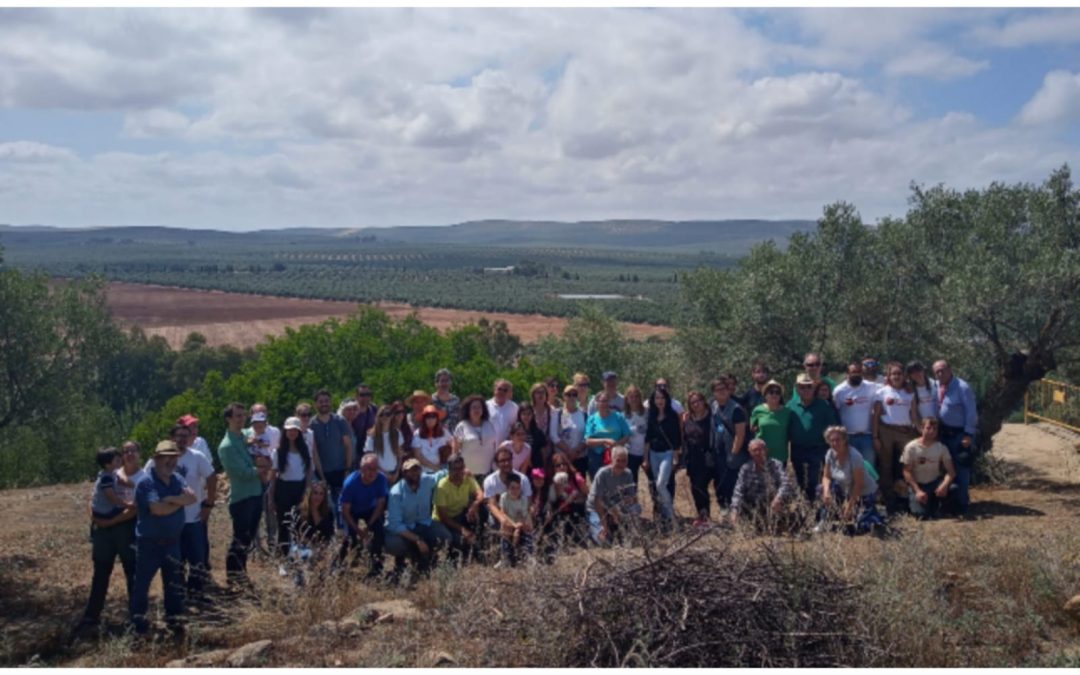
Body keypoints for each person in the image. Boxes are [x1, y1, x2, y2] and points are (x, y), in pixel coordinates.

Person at [129, 441, 197, 634]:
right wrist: (178, 501)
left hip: (173, 543)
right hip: (149, 544)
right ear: (156, 459)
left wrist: (169, 499)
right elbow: (156, 510)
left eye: (174, 457)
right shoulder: (146, 482)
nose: (171, 461)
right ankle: (137, 624)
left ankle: (174, 622)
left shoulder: (177, 479)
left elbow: (191, 498)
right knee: (141, 586)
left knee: (174, 585)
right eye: (166, 457)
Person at [145, 424, 216, 599]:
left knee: (197, 558)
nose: (183, 439)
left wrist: (208, 504)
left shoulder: (197, 457)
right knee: (174, 560)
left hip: (193, 517)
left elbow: (211, 477)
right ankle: (177, 593)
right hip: (168, 519)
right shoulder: (159, 459)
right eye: (179, 435)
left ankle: (196, 591)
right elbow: (145, 479)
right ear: (172, 437)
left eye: (187, 435)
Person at [79, 447, 138, 630]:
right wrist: (99, 519)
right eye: (123, 453)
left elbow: (136, 508)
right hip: (106, 528)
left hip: (123, 527)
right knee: (101, 572)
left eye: (133, 451)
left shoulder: (142, 476)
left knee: (132, 571)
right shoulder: (107, 476)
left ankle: (137, 615)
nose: (127, 456)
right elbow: (94, 499)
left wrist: (110, 520)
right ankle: (91, 616)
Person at [219, 402, 272, 586]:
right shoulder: (227, 446)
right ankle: (233, 577)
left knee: (247, 538)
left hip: (255, 493)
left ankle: (241, 575)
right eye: (237, 416)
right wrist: (261, 470)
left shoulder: (245, 437)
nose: (241, 419)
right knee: (240, 538)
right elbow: (240, 472)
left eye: (243, 415)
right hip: (242, 497)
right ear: (229, 419)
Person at [384, 458, 451, 578]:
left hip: (424, 523)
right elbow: (394, 524)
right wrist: (417, 540)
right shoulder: (396, 493)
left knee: (445, 537)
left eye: (417, 470)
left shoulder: (426, 480)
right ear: (403, 473)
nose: (415, 474)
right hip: (405, 529)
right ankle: (403, 559)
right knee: (394, 544)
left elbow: (442, 474)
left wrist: (465, 472)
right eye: (410, 471)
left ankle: (427, 558)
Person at [931, 360, 978, 517]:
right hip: (942, 434)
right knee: (945, 469)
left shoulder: (962, 387)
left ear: (950, 369)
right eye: (936, 371)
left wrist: (968, 434)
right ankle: (947, 504)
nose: (940, 373)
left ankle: (962, 505)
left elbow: (971, 412)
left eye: (942, 370)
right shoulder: (937, 386)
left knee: (961, 469)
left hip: (959, 435)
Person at [817, 426, 883, 535]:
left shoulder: (854, 456)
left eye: (838, 440)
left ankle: (875, 514)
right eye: (831, 440)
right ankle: (824, 520)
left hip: (863, 492)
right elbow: (826, 476)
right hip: (845, 488)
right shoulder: (830, 454)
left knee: (863, 527)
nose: (835, 443)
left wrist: (849, 506)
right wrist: (826, 492)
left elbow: (859, 484)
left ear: (844, 440)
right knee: (820, 489)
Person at [872, 362, 918, 511]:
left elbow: (914, 414)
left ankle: (908, 499)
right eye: (893, 374)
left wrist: (921, 431)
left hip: (905, 431)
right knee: (886, 466)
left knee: (908, 464)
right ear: (889, 376)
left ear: (904, 376)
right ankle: (889, 501)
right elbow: (876, 416)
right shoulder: (882, 392)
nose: (896, 376)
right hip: (886, 431)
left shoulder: (910, 393)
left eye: (899, 373)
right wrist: (875, 437)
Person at [787, 374, 839, 503]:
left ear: (813, 388)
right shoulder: (790, 406)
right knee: (800, 480)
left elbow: (832, 428)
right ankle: (805, 508)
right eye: (802, 387)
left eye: (809, 387)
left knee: (814, 481)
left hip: (818, 449)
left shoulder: (823, 405)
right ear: (797, 389)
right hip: (797, 449)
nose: (806, 390)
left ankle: (816, 509)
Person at [268, 417, 313, 560]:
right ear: (285, 431)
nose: (292, 433)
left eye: (295, 430)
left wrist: (307, 491)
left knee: (301, 523)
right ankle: (282, 557)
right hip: (284, 490)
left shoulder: (305, 448)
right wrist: (271, 497)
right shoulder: (279, 452)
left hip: (299, 488)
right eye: (289, 430)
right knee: (284, 524)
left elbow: (308, 472)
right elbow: (273, 476)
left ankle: (299, 555)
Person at [338, 453, 388, 577]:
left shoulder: (381, 479)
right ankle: (338, 564)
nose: (372, 473)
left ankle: (376, 566)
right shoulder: (351, 483)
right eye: (369, 469)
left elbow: (381, 504)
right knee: (349, 537)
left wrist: (369, 526)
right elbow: (345, 510)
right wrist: (358, 530)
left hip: (370, 508)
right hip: (351, 510)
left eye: (375, 469)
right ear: (361, 469)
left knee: (379, 531)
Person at [730, 439, 796, 531]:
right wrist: (734, 511)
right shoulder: (745, 468)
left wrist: (778, 498)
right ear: (750, 453)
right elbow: (738, 491)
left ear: (766, 450)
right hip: (752, 506)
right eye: (754, 450)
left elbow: (785, 484)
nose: (758, 452)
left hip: (772, 504)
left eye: (761, 449)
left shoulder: (776, 465)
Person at [311, 389, 354, 518]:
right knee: (324, 508)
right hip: (322, 472)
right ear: (316, 404)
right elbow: (314, 451)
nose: (324, 404)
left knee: (343, 506)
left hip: (341, 470)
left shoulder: (340, 421)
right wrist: (321, 475)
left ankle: (344, 534)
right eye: (320, 401)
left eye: (326, 401)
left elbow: (348, 446)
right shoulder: (312, 424)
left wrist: (347, 469)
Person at [433, 453, 484, 562]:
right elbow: (443, 517)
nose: (458, 472)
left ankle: (479, 545)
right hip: (442, 521)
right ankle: (449, 557)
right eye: (455, 469)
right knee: (455, 540)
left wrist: (475, 504)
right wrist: (463, 530)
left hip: (459, 515)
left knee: (482, 509)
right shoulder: (442, 486)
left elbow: (480, 494)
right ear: (449, 469)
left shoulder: (467, 478)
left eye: (461, 468)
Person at [901, 418, 956, 520]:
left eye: (935, 429)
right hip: (918, 485)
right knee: (920, 515)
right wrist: (917, 491)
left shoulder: (941, 448)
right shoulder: (911, 448)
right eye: (928, 428)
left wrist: (944, 485)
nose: (931, 431)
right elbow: (906, 471)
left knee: (953, 488)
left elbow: (951, 472)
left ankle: (937, 506)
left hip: (934, 483)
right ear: (922, 429)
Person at [586, 446, 641, 546]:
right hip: (597, 509)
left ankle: (631, 530)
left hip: (616, 506)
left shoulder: (628, 473)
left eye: (623, 461)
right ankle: (594, 529)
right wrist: (604, 525)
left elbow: (633, 498)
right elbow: (597, 501)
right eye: (618, 460)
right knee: (603, 542)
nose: (620, 464)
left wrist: (626, 503)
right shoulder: (602, 474)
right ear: (612, 460)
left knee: (636, 508)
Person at [643, 385, 681, 525]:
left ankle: (671, 515)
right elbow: (647, 438)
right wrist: (645, 458)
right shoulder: (651, 416)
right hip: (653, 453)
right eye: (657, 398)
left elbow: (677, 438)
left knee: (661, 484)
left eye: (662, 398)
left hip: (667, 453)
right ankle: (664, 517)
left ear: (667, 399)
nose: (660, 401)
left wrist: (676, 458)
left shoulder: (672, 416)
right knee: (656, 485)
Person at [288, 481, 336, 586]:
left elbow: (329, 534)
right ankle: (300, 582)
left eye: (321, 494)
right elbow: (296, 535)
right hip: (302, 546)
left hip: (322, 546)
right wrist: (311, 546)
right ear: (309, 494)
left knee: (329, 558)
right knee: (306, 555)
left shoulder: (328, 513)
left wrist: (321, 547)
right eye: (315, 493)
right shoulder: (298, 511)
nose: (317, 497)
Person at [683, 391, 719, 525]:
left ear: (704, 402)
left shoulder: (713, 417)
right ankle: (703, 517)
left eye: (699, 401)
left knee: (718, 488)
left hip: (710, 458)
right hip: (694, 459)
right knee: (697, 489)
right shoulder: (687, 419)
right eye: (693, 402)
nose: (696, 404)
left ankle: (725, 516)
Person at [710, 378, 748, 507]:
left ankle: (736, 513)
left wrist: (734, 454)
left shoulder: (736, 409)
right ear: (713, 393)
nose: (721, 392)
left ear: (728, 390)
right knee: (720, 483)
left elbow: (740, 434)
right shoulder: (714, 406)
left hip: (732, 455)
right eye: (717, 390)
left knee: (733, 485)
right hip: (718, 453)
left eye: (724, 389)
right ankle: (724, 510)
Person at [832, 361, 877, 464]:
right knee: (849, 469)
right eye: (853, 372)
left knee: (868, 469)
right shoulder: (839, 391)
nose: (856, 374)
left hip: (867, 437)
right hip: (847, 437)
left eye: (859, 371)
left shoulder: (872, 387)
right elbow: (836, 412)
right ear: (847, 374)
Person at [541, 453, 588, 549]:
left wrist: (576, 498)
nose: (561, 467)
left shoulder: (576, 478)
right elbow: (552, 500)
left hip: (577, 511)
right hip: (559, 513)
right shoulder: (550, 482)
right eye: (558, 465)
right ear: (553, 468)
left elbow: (588, 496)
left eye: (564, 464)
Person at [484, 447, 533, 538]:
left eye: (508, 459)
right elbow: (492, 505)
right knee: (493, 524)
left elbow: (528, 502)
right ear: (497, 463)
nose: (506, 463)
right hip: (501, 513)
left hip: (519, 514)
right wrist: (503, 520)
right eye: (502, 460)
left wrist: (521, 522)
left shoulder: (523, 479)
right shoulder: (490, 480)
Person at [584, 392, 632, 480]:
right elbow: (588, 440)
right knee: (598, 482)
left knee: (616, 482)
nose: (603, 404)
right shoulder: (591, 419)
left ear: (609, 402)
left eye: (606, 401)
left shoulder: (618, 417)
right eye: (601, 401)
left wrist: (616, 444)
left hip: (615, 455)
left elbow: (627, 435)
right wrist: (605, 441)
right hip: (596, 456)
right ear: (596, 403)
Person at [453, 394, 498, 477]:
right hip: (467, 473)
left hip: (488, 472)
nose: (476, 410)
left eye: (479, 407)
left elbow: (494, 446)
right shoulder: (461, 426)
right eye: (474, 407)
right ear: (468, 410)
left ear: (483, 409)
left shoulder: (489, 425)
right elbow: (455, 452)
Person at [749, 380, 791, 465]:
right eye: (771, 392)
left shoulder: (787, 412)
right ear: (765, 395)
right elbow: (752, 428)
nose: (774, 395)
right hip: (761, 455)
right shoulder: (758, 410)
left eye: (777, 392)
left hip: (780, 456)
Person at [497, 472, 534, 567]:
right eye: (512, 488)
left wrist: (518, 528)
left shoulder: (523, 499)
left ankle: (528, 556)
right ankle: (505, 557)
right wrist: (513, 525)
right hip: (510, 522)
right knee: (505, 528)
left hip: (520, 523)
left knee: (528, 527)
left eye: (518, 488)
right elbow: (503, 513)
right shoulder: (504, 497)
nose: (515, 491)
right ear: (507, 488)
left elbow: (523, 515)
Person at [365, 404, 404, 484]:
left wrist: (397, 472)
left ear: (392, 416)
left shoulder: (397, 433)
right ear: (378, 417)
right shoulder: (372, 435)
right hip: (377, 474)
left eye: (388, 414)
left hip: (394, 474)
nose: (385, 417)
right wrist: (385, 474)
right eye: (381, 414)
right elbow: (369, 458)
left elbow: (400, 455)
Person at [556, 384, 588, 479]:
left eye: (574, 394)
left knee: (580, 487)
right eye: (568, 394)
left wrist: (576, 452)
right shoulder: (557, 413)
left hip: (580, 458)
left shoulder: (584, 414)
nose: (571, 397)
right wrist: (568, 451)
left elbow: (587, 436)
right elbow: (553, 435)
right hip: (561, 459)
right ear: (563, 396)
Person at [412, 404, 453, 474]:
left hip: (442, 468)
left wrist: (451, 457)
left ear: (437, 419)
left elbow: (453, 443)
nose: (431, 419)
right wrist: (435, 468)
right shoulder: (417, 434)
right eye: (428, 417)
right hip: (424, 472)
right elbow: (418, 456)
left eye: (433, 416)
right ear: (424, 419)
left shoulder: (444, 431)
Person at [527, 382, 559, 469]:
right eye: (537, 392)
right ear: (533, 395)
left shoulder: (552, 410)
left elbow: (553, 432)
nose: (540, 395)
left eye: (543, 392)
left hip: (547, 447)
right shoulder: (529, 409)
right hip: (531, 448)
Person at [622, 385, 648, 486]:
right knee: (632, 484)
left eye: (636, 396)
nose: (634, 399)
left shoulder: (647, 413)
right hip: (630, 454)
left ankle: (657, 501)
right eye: (631, 396)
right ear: (627, 399)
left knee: (653, 482)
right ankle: (632, 502)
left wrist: (646, 457)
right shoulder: (622, 416)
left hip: (646, 452)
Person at [487, 379, 519, 446]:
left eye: (505, 390)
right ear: (494, 389)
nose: (502, 392)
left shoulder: (514, 407)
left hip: (506, 448)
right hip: (488, 447)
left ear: (509, 392)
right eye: (499, 389)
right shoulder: (486, 406)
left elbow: (516, 427)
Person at [350, 384, 378, 458]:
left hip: (370, 451)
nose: (366, 397)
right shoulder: (350, 411)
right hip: (354, 452)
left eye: (368, 394)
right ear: (356, 396)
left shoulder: (374, 409)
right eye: (362, 395)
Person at [906, 361, 938, 426]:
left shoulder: (935, 384)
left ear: (923, 370)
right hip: (924, 426)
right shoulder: (911, 390)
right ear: (910, 376)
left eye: (918, 370)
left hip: (939, 424)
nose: (916, 374)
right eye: (912, 372)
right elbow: (913, 412)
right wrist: (919, 427)